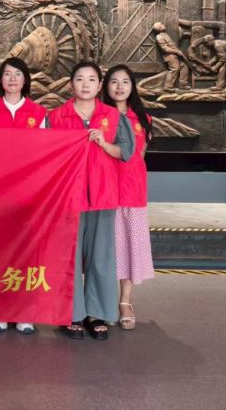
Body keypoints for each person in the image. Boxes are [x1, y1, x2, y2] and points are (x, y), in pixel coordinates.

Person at [48, 62, 134, 341]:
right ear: (70, 85)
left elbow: (126, 151)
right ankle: (71, 313)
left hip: (102, 195)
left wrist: (103, 144)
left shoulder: (112, 115)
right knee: (69, 257)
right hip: (67, 198)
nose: (85, 84)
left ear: (99, 86)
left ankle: (97, 313)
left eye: (92, 79)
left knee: (101, 257)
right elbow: (46, 156)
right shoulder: (56, 117)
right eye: (80, 79)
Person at [0, 57, 47, 334]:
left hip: (28, 194)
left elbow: (44, 154)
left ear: (25, 79)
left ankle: (25, 312)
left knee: (26, 252)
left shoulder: (38, 113)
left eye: (18, 74)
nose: (13, 79)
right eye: (7, 74)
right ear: (0, 80)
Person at [102, 65, 154, 331]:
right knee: (105, 248)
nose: (120, 87)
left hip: (132, 190)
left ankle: (125, 302)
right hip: (104, 190)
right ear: (106, 86)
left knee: (129, 246)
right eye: (114, 81)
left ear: (132, 86)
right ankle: (101, 302)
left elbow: (139, 155)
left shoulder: (143, 118)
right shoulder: (99, 115)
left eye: (125, 82)